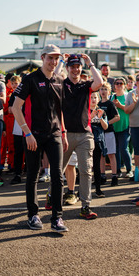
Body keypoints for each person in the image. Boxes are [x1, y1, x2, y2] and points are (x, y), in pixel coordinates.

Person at [12, 45, 69, 232]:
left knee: (57, 177)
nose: (53, 62)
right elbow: (15, 107)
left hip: (54, 134)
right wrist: (27, 133)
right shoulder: (30, 79)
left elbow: (60, 111)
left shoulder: (60, 80)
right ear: (42, 57)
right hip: (33, 135)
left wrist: (64, 133)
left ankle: (57, 218)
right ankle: (33, 215)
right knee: (33, 176)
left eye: (56, 58)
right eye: (50, 58)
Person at [60, 53, 103, 220]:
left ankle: (85, 206)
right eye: (72, 66)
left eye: (78, 66)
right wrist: (62, 61)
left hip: (85, 134)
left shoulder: (85, 86)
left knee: (86, 170)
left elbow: (99, 83)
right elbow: (53, 79)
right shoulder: (62, 84)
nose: (76, 69)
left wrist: (90, 63)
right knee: (59, 170)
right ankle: (52, 195)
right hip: (66, 134)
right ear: (68, 68)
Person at [98, 82, 120, 186]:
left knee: (111, 154)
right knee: (101, 155)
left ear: (109, 91)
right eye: (101, 89)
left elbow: (117, 117)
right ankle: (102, 176)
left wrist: (107, 123)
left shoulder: (110, 104)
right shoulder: (98, 104)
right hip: (100, 133)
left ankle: (114, 176)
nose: (103, 91)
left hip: (109, 132)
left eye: (105, 89)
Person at [111, 77, 133, 178]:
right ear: (114, 86)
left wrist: (120, 106)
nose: (119, 85)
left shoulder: (127, 96)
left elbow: (130, 110)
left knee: (124, 148)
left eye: (121, 83)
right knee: (115, 150)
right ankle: (118, 170)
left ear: (124, 85)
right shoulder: (112, 97)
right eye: (117, 83)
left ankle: (129, 170)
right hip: (113, 127)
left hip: (125, 126)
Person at [90, 91, 108, 198]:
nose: (93, 99)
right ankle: (81, 191)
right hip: (86, 141)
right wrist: (91, 115)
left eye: (95, 97)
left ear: (98, 99)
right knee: (86, 167)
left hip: (98, 141)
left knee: (96, 166)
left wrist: (100, 117)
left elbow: (105, 127)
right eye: (91, 97)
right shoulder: (85, 110)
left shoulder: (102, 111)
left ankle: (98, 189)